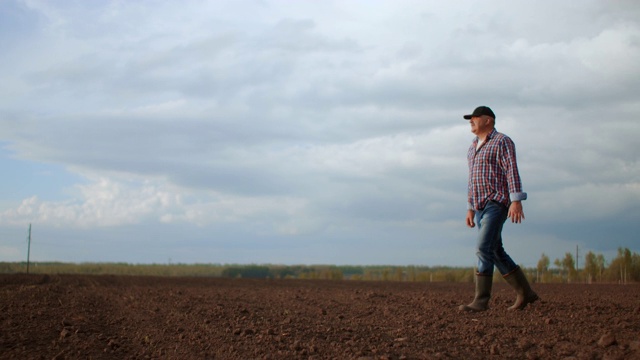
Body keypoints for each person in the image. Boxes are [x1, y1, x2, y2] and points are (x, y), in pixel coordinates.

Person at [459, 106, 539, 312]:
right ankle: (526, 293)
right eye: (470, 119)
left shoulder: (502, 141)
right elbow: (471, 180)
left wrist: (516, 200)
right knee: (495, 250)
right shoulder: (472, 147)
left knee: (482, 248)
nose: (471, 121)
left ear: (488, 120)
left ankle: (481, 300)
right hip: (479, 207)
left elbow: (511, 170)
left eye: (475, 118)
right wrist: (470, 207)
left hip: (497, 203)